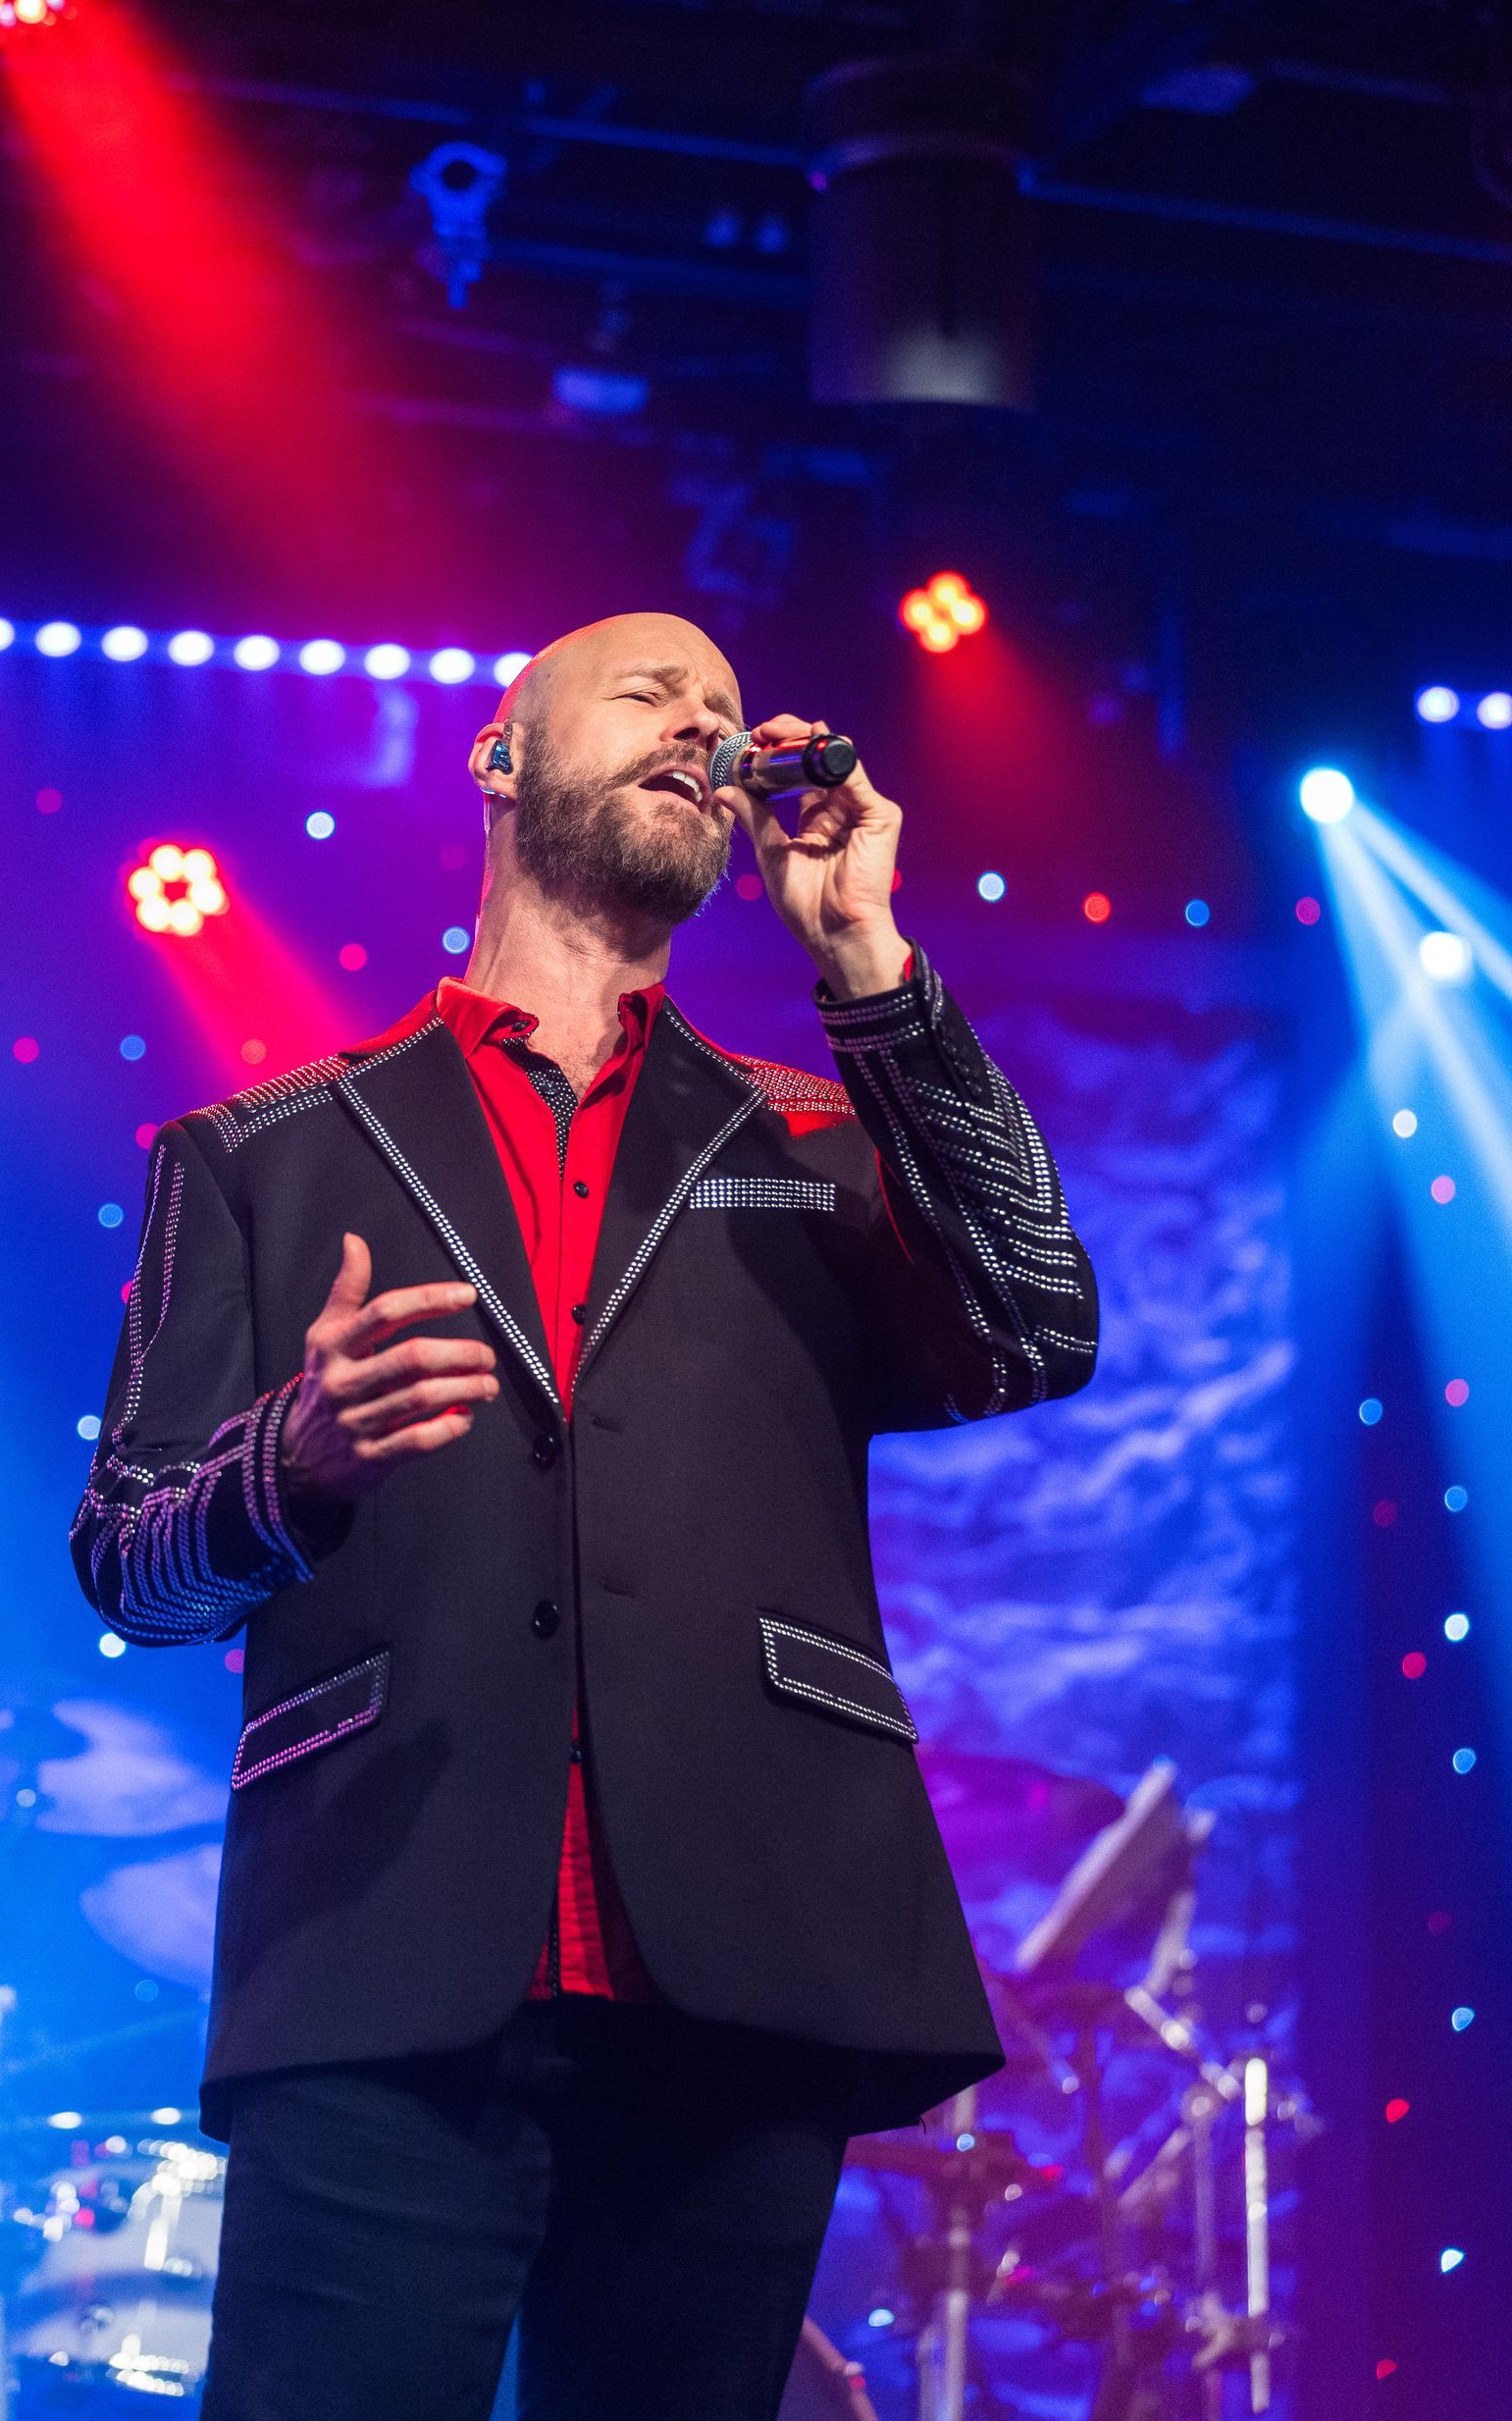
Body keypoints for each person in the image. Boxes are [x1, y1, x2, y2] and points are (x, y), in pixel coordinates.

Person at [73, 610, 1097, 2421]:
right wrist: (285, 1463)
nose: (704, 728)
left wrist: (863, 952)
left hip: (741, 1946)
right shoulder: (256, 1152)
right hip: (385, 1958)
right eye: (649, 694)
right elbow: (131, 1554)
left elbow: (1036, 1321)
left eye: (726, 710)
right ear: (500, 759)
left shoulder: (809, 1132)